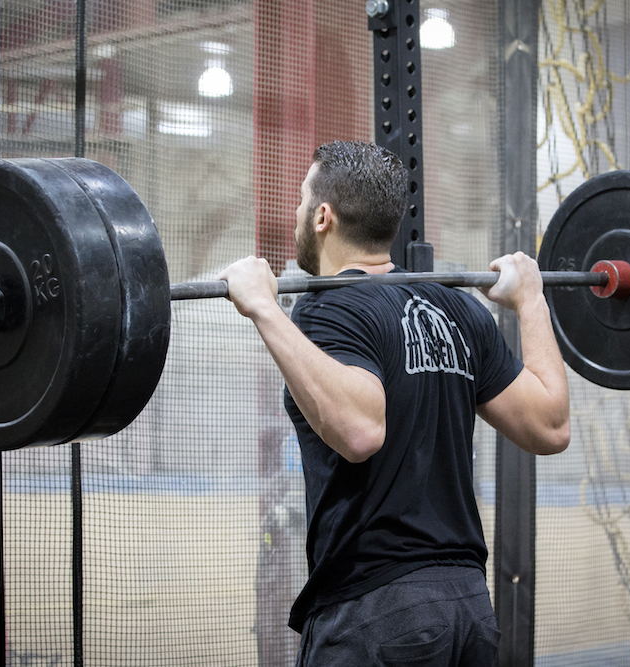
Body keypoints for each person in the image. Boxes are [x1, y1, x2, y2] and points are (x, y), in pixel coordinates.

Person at [217, 141, 569, 666]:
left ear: (322, 217)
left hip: (375, 610)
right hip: (467, 609)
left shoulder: (330, 307)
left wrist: (265, 310)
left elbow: (361, 433)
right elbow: (551, 424)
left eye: (299, 200)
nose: (295, 212)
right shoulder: (458, 310)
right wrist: (531, 301)